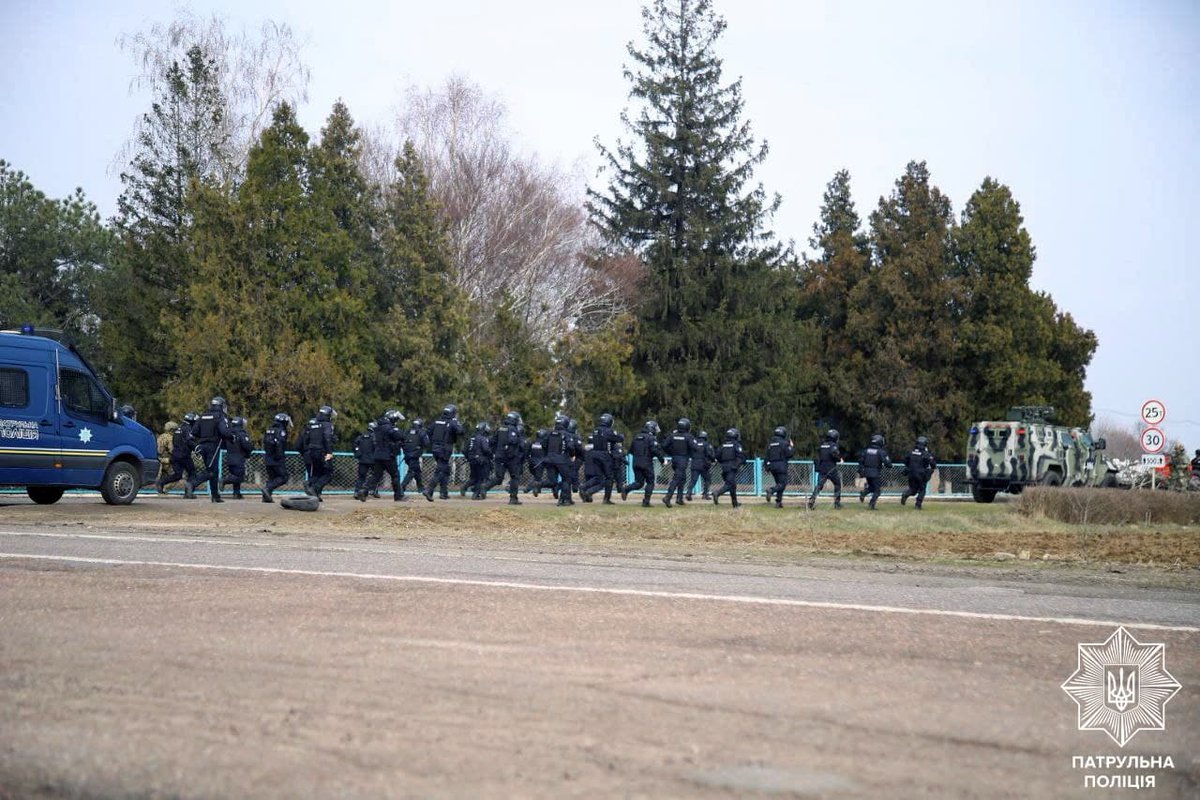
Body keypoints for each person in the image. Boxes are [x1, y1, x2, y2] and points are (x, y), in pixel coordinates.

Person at [188, 397, 233, 502]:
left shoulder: (203, 416)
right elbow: (224, 431)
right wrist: (231, 437)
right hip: (214, 446)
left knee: (214, 471)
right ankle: (192, 484)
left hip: (203, 446)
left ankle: (215, 496)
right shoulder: (220, 416)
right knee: (211, 472)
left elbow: (194, 432)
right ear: (221, 406)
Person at [359, 409, 405, 502]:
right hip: (388, 455)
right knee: (395, 475)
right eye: (396, 420)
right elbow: (399, 436)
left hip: (377, 455)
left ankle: (364, 490)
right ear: (392, 419)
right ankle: (398, 496)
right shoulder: (389, 428)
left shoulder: (378, 427)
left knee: (376, 475)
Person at [580, 413, 624, 504]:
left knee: (598, 477)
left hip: (595, 455)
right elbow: (618, 439)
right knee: (609, 478)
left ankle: (585, 488)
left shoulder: (596, 430)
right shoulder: (608, 431)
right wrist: (621, 436)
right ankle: (606, 499)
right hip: (604, 456)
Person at [424, 404, 464, 501]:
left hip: (435, 449)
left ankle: (443, 493)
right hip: (445, 450)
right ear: (453, 413)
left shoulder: (436, 421)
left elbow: (428, 432)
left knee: (445, 470)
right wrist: (456, 422)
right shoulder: (452, 422)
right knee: (440, 470)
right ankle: (429, 490)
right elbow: (461, 431)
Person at [622, 420, 665, 507]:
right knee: (650, 482)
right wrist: (662, 460)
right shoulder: (651, 438)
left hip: (636, 463)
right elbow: (654, 450)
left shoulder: (636, 437)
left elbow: (631, 451)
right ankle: (646, 501)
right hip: (646, 463)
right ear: (651, 429)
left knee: (639, 482)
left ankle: (626, 489)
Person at [487, 411, 526, 505]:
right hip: (511, 458)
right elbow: (514, 442)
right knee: (514, 477)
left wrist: (494, 452)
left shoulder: (500, 428)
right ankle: (513, 499)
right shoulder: (513, 429)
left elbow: (492, 441)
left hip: (499, 457)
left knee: (498, 478)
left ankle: (483, 487)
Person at [156, 412, 198, 493]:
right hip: (184, 456)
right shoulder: (188, 429)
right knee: (192, 473)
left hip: (175, 456)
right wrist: (196, 448)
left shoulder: (178, 430)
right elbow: (189, 441)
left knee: (178, 475)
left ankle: (161, 482)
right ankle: (188, 492)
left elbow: (174, 443)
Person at [540, 414, 576, 505]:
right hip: (562, 461)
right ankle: (564, 500)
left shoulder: (549, 433)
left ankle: (538, 483)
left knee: (552, 481)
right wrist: (571, 455)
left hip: (549, 460)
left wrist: (547, 455)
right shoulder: (567, 434)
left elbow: (543, 444)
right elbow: (571, 447)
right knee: (566, 479)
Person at [304, 406, 337, 500]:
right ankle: (314, 488)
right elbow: (327, 438)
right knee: (328, 474)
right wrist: (329, 452)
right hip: (323, 452)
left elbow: (306, 439)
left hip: (312, 451)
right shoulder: (327, 425)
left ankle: (314, 492)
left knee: (317, 473)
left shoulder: (314, 423)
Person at [662, 418, 695, 507]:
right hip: (682, 460)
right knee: (676, 479)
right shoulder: (688, 436)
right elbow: (694, 447)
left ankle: (679, 499)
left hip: (674, 459)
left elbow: (664, 445)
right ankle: (667, 497)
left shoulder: (673, 435)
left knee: (682, 479)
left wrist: (671, 452)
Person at [808, 429, 844, 509]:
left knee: (819, 485)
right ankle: (837, 503)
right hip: (831, 468)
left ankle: (812, 499)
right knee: (837, 484)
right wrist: (840, 459)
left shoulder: (822, 445)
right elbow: (834, 453)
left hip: (822, 468)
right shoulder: (833, 445)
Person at [260, 413, 292, 503]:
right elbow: (280, 444)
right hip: (277, 459)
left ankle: (266, 496)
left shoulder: (269, 430)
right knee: (284, 477)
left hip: (268, 458)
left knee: (272, 478)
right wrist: (280, 456)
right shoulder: (281, 431)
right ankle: (267, 488)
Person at [711, 428, 746, 507]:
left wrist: (723, 462)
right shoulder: (736, 445)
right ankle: (717, 493)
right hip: (732, 466)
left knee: (732, 485)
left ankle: (735, 503)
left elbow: (717, 456)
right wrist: (738, 464)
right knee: (729, 484)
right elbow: (741, 456)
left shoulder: (723, 445)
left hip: (724, 467)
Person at [900, 436, 937, 510]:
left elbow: (905, 461)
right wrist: (931, 469)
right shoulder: (926, 454)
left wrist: (910, 467)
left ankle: (905, 494)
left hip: (911, 473)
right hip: (921, 474)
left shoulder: (910, 452)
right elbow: (933, 464)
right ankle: (918, 505)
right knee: (922, 490)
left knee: (912, 490)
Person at [857, 433, 892, 510]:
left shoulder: (866, 451)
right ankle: (871, 504)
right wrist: (889, 465)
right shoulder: (881, 452)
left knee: (872, 487)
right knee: (877, 491)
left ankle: (864, 493)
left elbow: (860, 461)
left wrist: (861, 471)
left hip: (866, 472)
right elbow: (887, 463)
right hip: (875, 473)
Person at [222, 416, 254, 499]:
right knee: (240, 477)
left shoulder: (229, 434)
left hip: (229, 458)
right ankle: (224, 481)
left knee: (235, 475)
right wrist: (250, 449)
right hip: (238, 458)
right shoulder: (241, 434)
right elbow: (247, 446)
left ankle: (236, 493)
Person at [398, 417, 429, 499]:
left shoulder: (407, 432)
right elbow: (426, 443)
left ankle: (420, 487)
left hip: (407, 455)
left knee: (417, 471)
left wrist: (406, 450)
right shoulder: (421, 432)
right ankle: (402, 487)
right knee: (412, 472)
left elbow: (401, 442)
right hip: (414, 456)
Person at [764, 426, 795, 508]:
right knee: (782, 484)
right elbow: (790, 454)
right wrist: (791, 446)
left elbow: (767, 456)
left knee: (779, 484)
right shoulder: (784, 443)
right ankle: (771, 490)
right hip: (781, 466)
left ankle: (778, 502)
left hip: (772, 467)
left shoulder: (770, 444)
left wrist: (766, 467)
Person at [464, 421, 494, 499]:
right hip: (481, 461)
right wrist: (491, 456)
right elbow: (486, 449)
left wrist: (469, 458)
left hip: (472, 461)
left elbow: (464, 450)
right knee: (480, 479)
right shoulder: (482, 438)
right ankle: (476, 495)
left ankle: (466, 489)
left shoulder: (471, 438)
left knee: (475, 478)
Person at [686, 430, 716, 501]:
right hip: (703, 465)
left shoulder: (694, 443)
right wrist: (713, 460)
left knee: (693, 480)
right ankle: (705, 495)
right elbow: (709, 454)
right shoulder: (706, 444)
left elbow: (690, 452)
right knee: (707, 479)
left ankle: (688, 493)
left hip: (694, 464)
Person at [353, 422, 377, 500]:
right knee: (375, 476)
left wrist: (358, 453)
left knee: (361, 477)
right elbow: (376, 447)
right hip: (373, 460)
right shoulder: (374, 436)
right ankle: (373, 491)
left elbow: (355, 445)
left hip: (362, 460)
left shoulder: (361, 436)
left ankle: (356, 492)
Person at [523, 429, 547, 496]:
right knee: (538, 478)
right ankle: (535, 490)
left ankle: (527, 489)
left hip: (531, 464)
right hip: (540, 464)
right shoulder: (544, 443)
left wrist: (528, 460)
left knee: (536, 477)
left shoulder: (532, 442)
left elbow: (527, 453)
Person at [155, 421, 176, 490]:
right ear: (171, 429)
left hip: (158, 458)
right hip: (167, 459)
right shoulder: (170, 438)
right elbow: (171, 450)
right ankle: (165, 489)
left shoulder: (161, 436)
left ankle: (160, 488)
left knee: (163, 474)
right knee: (176, 475)